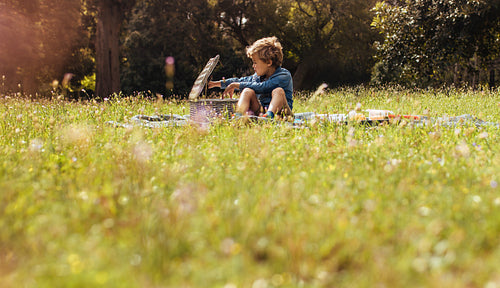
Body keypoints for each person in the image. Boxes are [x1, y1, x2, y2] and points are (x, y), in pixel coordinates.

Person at [208, 36, 293, 119]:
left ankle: (269, 115)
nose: (253, 66)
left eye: (255, 62)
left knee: (278, 91)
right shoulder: (258, 77)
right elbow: (240, 80)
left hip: (283, 114)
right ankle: (238, 116)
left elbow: (264, 87)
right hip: (262, 112)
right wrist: (216, 83)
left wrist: (237, 85)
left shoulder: (284, 76)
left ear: (268, 62)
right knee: (247, 91)